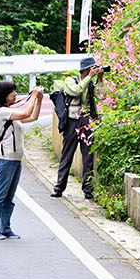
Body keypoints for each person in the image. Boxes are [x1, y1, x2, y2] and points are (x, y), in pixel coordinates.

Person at [0, 79, 43, 239]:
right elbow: (25, 113)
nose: (15, 94)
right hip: (5, 160)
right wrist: (33, 96)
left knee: (9, 198)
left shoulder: (11, 113)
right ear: (4, 96)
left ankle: (5, 228)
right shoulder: (2, 112)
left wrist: (38, 100)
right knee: (0, 195)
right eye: (12, 92)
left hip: (16, 160)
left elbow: (32, 117)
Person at [52, 57, 103, 199]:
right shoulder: (70, 81)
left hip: (87, 121)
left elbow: (102, 96)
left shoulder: (91, 83)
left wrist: (99, 79)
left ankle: (88, 190)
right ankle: (59, 187)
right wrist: (89, 78)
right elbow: (76, 91)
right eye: (91, 69)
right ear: (85, 70)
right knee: (67, 155)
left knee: (88, 156)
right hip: (71, 122)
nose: (93, 71)